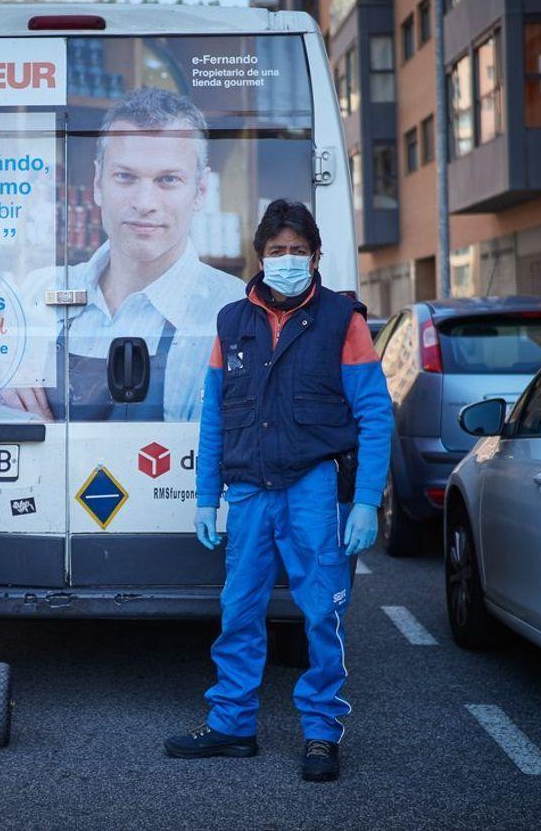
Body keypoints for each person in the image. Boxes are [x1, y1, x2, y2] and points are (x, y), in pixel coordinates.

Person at [163, 199, 393, 782]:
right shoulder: (231, 321)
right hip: (247, 492)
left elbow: (374, 414)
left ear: (316, 256)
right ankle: (233, 724)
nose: (287, 260)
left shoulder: (344, 319)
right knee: (239, 610)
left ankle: (321, 733)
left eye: (297, 251)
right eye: (275, 251)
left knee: (322, 615)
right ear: (260, 258)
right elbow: (215, 416)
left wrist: (366, 499)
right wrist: (204, 495)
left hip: (314, 487)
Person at [0, 87, 244, 422]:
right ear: (98, 183)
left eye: (168, 179)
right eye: (125, 177)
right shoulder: (36, 294)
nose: (144, 203)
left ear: (199, 191)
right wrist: (16, 415)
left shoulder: (236, 312)